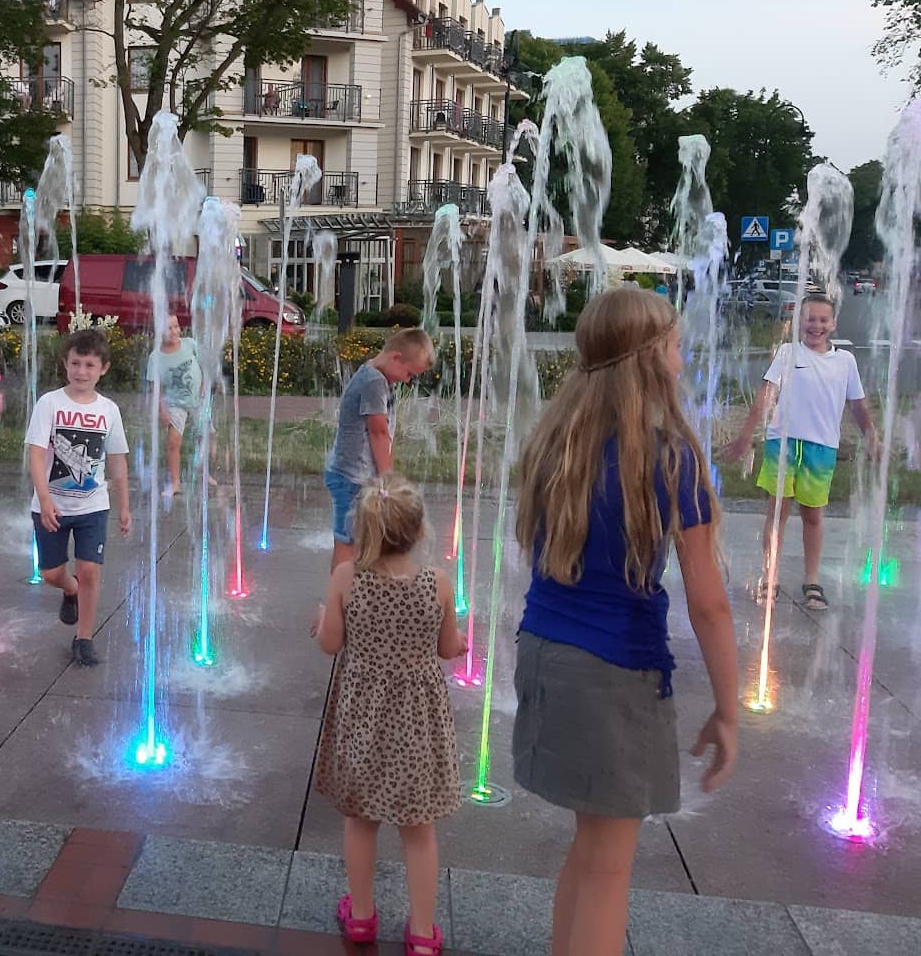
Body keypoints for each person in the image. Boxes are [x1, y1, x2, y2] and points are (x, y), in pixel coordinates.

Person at [513, 287, 737, 956]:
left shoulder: (558, 441)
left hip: (544, 651)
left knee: (589, 852)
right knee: (610, 870)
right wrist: (729, 711)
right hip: (615, 673)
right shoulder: (670, 456)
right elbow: (709, 604)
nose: (682, 360)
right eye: (675, 347)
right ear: (648, 358)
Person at [313, 475, 464, 952]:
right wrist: (459, 642)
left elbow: (330, 644)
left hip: (362, 717)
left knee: (361, 820)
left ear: (364, 530)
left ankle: (361, 917)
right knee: (418, 830)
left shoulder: (346, 578)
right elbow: (447, 648)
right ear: (419, 532)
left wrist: (323, 619)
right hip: (417, 723)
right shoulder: (437, 583)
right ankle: (422, 933)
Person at [718, 291, 876, 610]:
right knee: (777, 513)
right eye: (810, 319)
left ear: (833, 323)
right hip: (783, 444)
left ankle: (811, 581)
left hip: (821, 448)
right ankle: (770, 577)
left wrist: (872, 436)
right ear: (799, 322)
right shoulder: (788, 353)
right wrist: (746, 435)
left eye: (823, 319)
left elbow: (857, 405)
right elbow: (766, 396)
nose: (816, 325)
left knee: (812, 515)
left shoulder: (845, 361)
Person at [26, 328, 132, 666]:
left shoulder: (108, 410)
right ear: (65, 363)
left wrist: (124, 506)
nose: (81, 372)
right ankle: (69, 589)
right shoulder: (50, 403)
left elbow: (117, 460)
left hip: (93, 506)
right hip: (52, 505)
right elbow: (36, 454)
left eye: (89, 365)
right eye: (75, 363)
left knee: (90, 570)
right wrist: (44, 499)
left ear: (103, 369)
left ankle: (84, 638)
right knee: (51, 574)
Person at [324, 328, 435, 569]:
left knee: (359, 540)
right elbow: (378, 432)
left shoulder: (378, 377)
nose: (408, 380)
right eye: (409, 373)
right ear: (396, 357)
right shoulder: (374, 382)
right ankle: (338, 591)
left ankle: (353, 586)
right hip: (351, 477)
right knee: (347, 543)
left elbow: (386, 435)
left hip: (355, 475)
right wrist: (387, 480)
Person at [145, 314, 204, 506]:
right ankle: (175, 482)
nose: (174, 331)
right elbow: (156, 388)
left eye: (176, 326)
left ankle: (204, 473)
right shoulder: (156, 357)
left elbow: (204, 365)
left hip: (198, 400)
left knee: (204, 437)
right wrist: (162, 410)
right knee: (173, 442)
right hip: (174, 404)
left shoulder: (190, 344)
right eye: (168, 328)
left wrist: (205, 387)